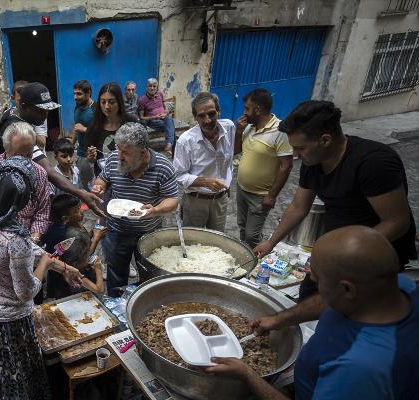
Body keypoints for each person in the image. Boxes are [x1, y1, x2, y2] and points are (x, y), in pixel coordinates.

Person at [207, 226, 419, 400]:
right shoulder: (397, 287)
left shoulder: (362, 366)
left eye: (316, 279)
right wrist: (279, 320)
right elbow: (328, 300)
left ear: (347, 289)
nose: (311, 280)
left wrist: (248, 375)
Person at [0, 157, 82, 400]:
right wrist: (45, 264)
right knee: (17, 379)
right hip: (8, 322)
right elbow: (26, 292)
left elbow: (26, 247)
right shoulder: (14, 239)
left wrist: (62, 267)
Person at [253, 101, 417, 300]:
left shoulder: (374, 162)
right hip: (337, 249)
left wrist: (341, 254)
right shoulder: (312, 161)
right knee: (308, 295)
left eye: (300, 148)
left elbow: (396, 223)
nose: (295, 155)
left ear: (325, 139)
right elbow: (298, 207)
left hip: (373, 254)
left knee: (346, 309)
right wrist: (271, 242)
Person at [92, 122, 179, 295]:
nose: (119, 156)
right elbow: (103, 179)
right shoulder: (113, 159)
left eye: (126, 152)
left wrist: (154, 210)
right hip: (117, 230)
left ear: (142, 151)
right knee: (116, 274)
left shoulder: (163, 166)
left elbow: (173, 200)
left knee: (149, 276)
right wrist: (98, 187)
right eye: (119, 149)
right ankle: (115, 305)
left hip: (148, 232)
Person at [0, 82, 105, 216]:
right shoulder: (18, 131)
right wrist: (80, 193)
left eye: (47, 110)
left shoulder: (13, 111)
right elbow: (48, 170)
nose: (45, 116)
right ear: (24, 106)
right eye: (40, 111)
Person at [234, 89, 293, 247]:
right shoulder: (249, 127)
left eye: (247, 108)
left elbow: (286, 165)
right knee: (242, 227)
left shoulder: (280, 131)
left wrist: (272, 196)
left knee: (252, 235)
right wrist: (239, 132)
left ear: (258, 109)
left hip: (260, 196)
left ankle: (258, 260)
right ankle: (245, 255)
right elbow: (236, 151)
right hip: (242, 188)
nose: (244, 112)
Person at [0, 121, 51, 243]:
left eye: (29, 154)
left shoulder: (40, 173)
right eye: (18, 155)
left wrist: (33, 239)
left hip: (29, 239)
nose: (23, 161)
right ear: (6, 148)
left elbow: (42, 213)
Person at [173, 91, 236, 231]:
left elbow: (229, 158)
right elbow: (178, 175)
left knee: (216, 243)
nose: (207, 120)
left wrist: (227, 181)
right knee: (192, 242)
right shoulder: (185, 141)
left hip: (221, 199)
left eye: (212, 113)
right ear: (195, 117)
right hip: (196, 201)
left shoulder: (230, 127)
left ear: (218, 112)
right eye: (201, 116)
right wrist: (207, 182)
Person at [85, 82, 139, 180]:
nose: (107, 106)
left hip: (129, 178)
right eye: (103, 102)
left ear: (119, 102)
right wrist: (91, 157)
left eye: (111, 102)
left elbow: (142, 150)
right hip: (104, 180)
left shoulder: (131, 122)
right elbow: (91, 159)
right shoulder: (94, 127)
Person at [42, 194, 106, 258]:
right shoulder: (70, 236)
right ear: (65, 219)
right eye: (76, 211)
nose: (81, 211)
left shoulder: (72, 223)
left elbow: (81, 239)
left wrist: (92, 233)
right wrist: (96, 238)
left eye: (79, 207)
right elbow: (83, 257)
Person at [46, 232, 104, 299]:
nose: (89, 257)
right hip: (72, 301)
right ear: (77, 263)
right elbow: (99, 290)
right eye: (87, 256)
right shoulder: (75, 274)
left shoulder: (59, 261)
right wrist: (98, 269)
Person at [7, 80, 48, 151]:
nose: (23, 104)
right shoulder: (8, 115)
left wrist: (25, 127)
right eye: (20, 100)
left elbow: (41, 144)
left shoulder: (38, 115)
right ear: (13, 98)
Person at [137, 78, 175, 153]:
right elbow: (141, 117)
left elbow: (165, 108)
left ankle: (169, 143)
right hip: (153, 122)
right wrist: (155, 117)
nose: (152, 88)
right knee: (171, 126)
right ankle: (171, 144)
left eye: (154, 86)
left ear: (157, 87)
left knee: (169, 119)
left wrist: (165, 113)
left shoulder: (160, 94)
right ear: (147, 87)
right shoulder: (142, 100)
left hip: (164, 119)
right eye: (150, 86)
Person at [71, 80, 95, 188]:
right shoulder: (77, 107)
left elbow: (102, 132)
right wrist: (71, 145)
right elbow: (76, 128)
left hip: (93, 156)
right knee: (82, 184)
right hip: (80, 154)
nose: (75, 97)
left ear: (88, 93)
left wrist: (85, 129)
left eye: (79, 94)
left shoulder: (96, 109)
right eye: (74, 94)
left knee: (94, 186)